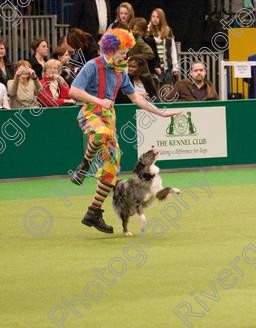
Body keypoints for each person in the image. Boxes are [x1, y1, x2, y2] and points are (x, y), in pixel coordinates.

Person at [69, 28, 180, 234]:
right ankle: (84, 164)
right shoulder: (92, 66)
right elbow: (73, 91)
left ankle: (93, 212)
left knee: (112, 171)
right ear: (110, 49)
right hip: (91, 113)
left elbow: (136, 98)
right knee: (101, 133)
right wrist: (98, 101)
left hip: (109, 118)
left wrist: (160, 113)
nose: (125, 54)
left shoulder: (121, 71)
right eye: (122, 50)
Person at [149, 8, 179, 84]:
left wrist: (175, 67)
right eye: (153, 16)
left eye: (157, 17)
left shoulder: (167, 30)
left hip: (166, 68)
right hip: (153, 68)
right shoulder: (148, 31)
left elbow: (173, 50)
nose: (155, 19)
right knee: (155, 92)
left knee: (167, 91)